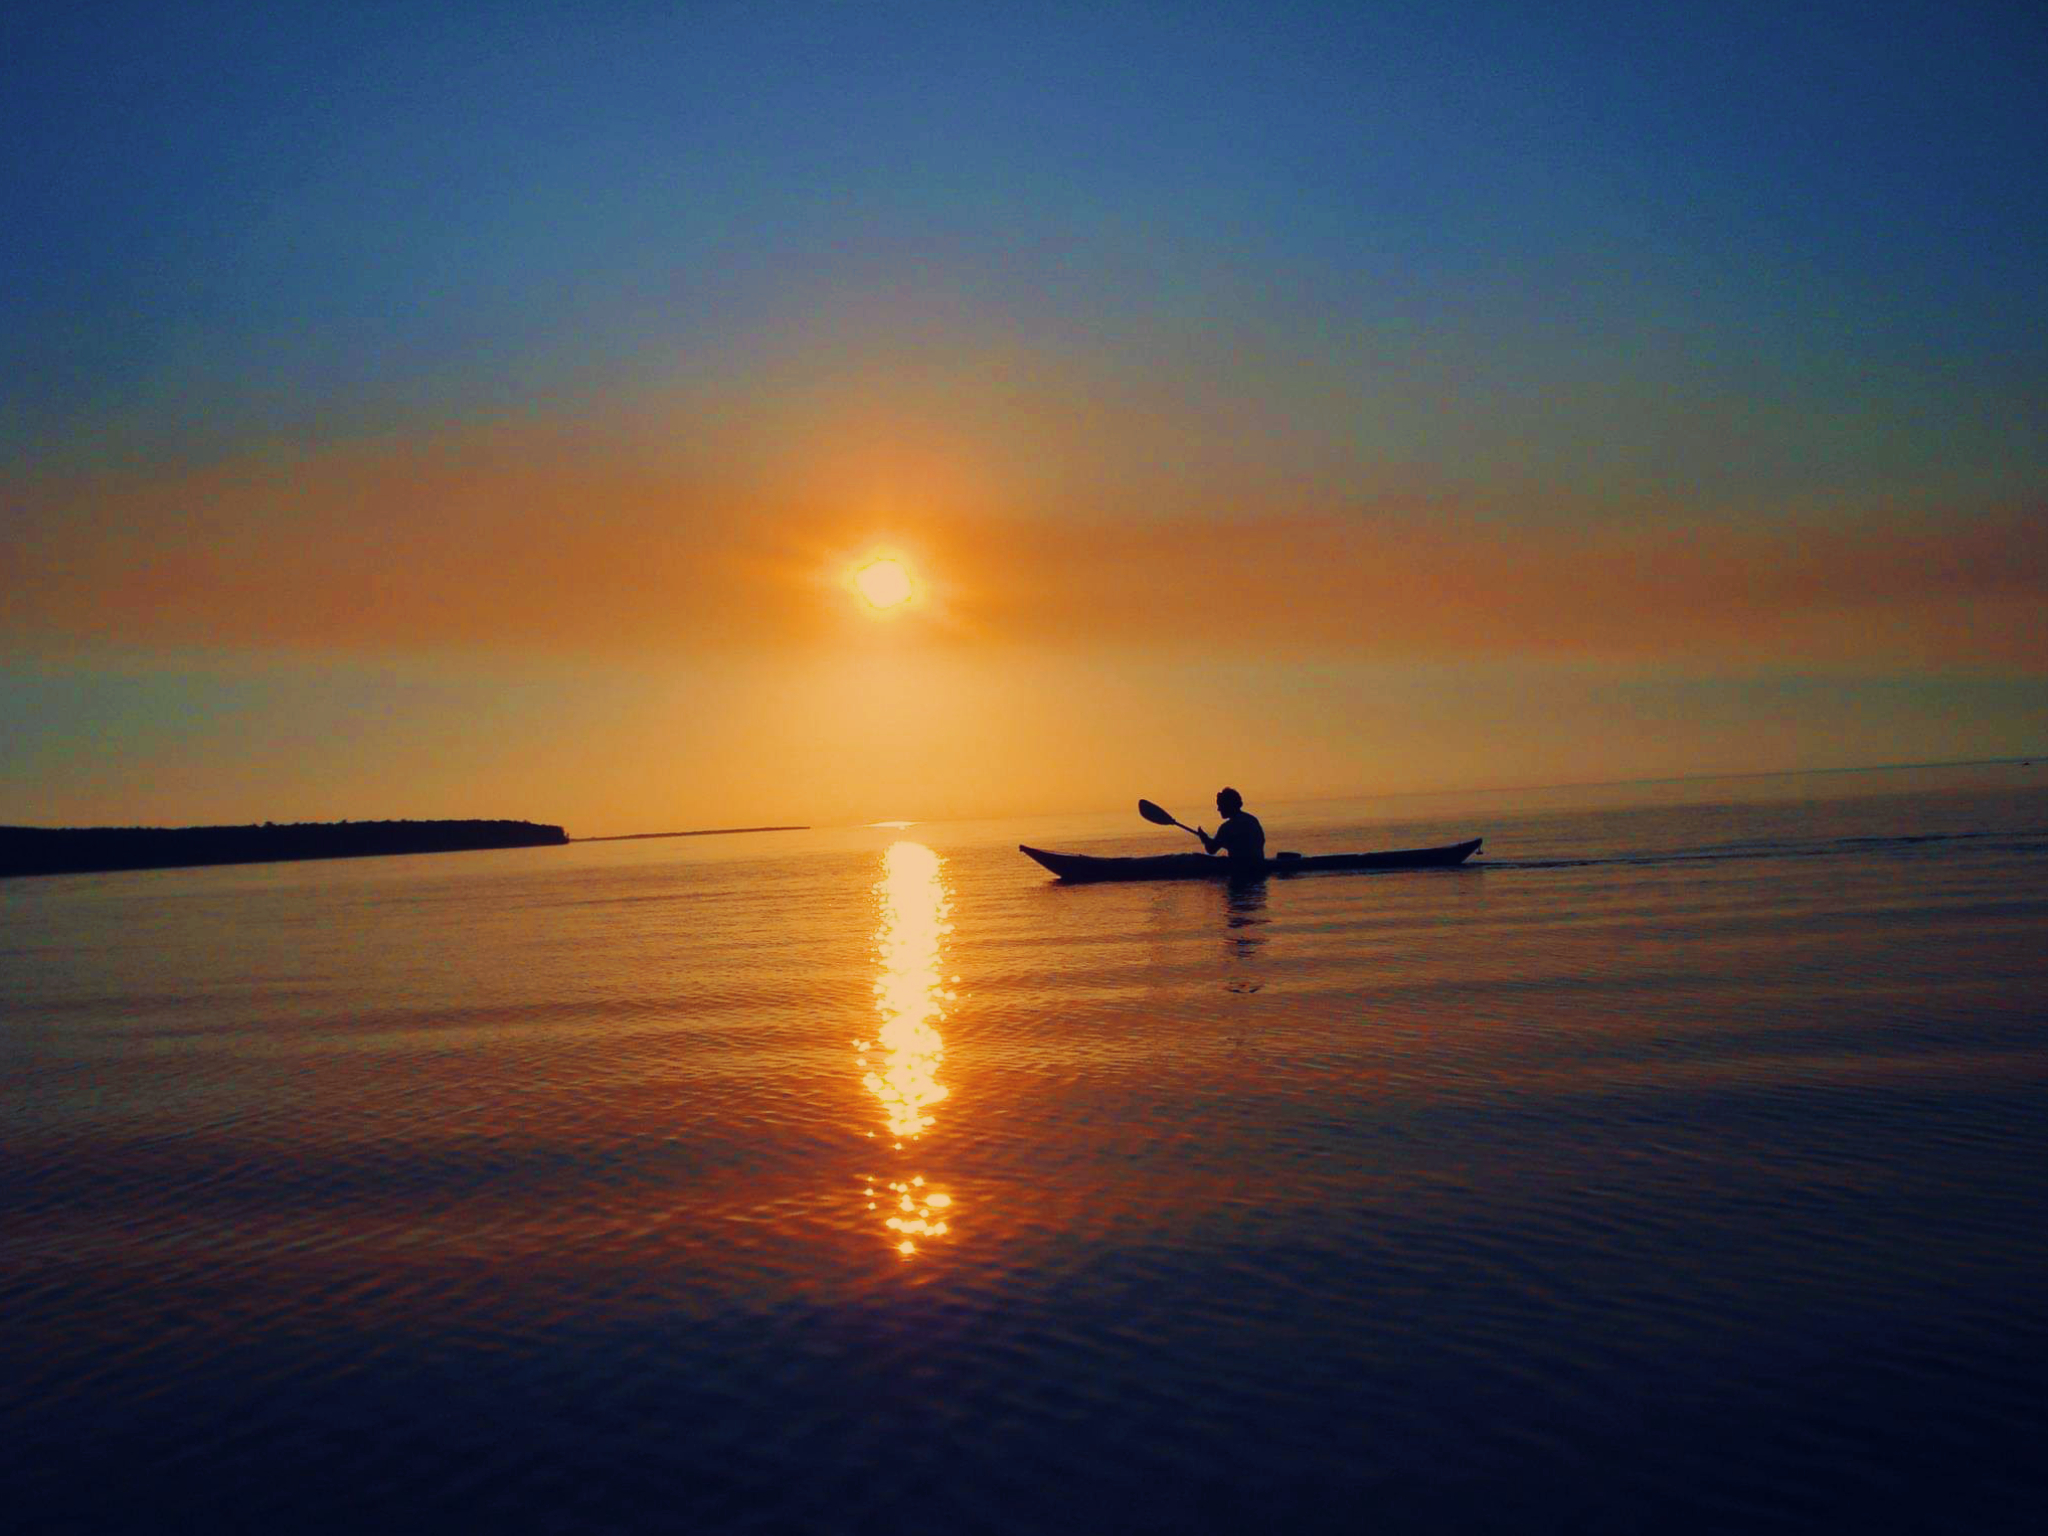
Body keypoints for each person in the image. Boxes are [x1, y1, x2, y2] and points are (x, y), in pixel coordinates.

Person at [1197, 787, 1265, 867]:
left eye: (1220, 805)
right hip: (1258, 862)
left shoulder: (1227, 828)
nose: (1218, 809)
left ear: (1228, 805)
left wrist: (1204, 839)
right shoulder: (1252, 820)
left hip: (1240, 867)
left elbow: (1211, 850)